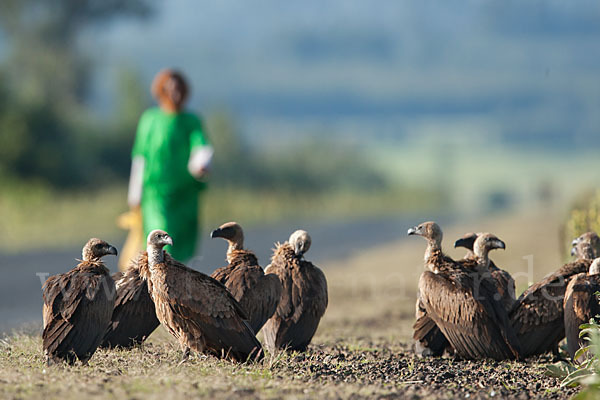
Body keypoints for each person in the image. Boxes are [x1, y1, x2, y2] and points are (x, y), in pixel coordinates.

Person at [127, 69, 213, 262]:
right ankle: (158, 282)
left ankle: (178, 284)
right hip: (156, 194)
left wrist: (201, 164)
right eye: (170, 89)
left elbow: (200, 146)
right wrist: (134, 193)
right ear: (162, 91)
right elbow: (140, 157)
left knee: (181, 244)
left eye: (179, 89)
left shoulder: (191, 121)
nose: (175, 94)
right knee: (161, 235)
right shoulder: (150, 120)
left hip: (184, 195)